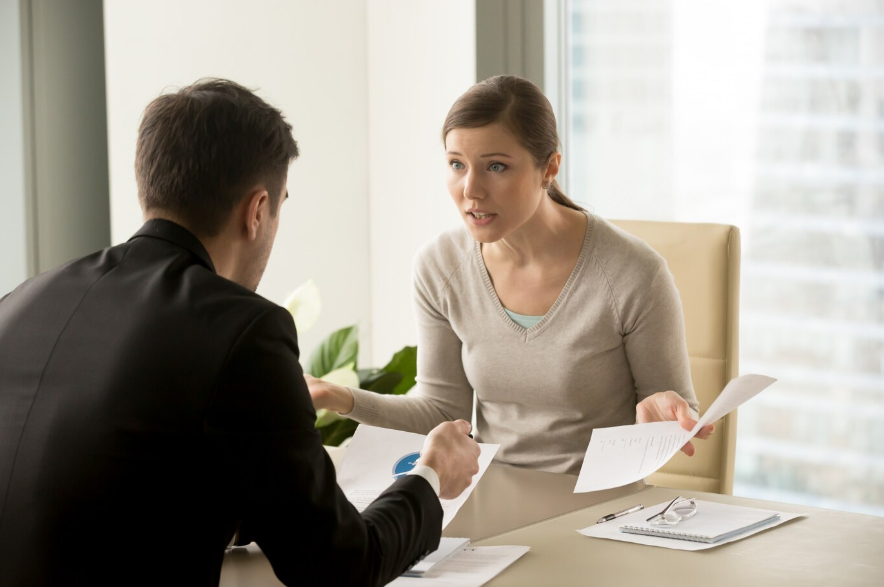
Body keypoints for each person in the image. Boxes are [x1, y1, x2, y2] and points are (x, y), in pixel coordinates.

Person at [0, 79, 480, 587]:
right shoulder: (243, 329)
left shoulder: (22, 301)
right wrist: (428, 476)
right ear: (256, 211)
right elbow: (339, 566)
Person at [308, 75, 714, 475]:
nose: (471, 190)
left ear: (549, 167)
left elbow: (675, 412)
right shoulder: (440, 267)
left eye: (496, 166)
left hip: (598, 508)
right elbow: (441, 411)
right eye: (456, 165)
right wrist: (338, 397)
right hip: (491, 498)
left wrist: (659, 425)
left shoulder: (633, 274)